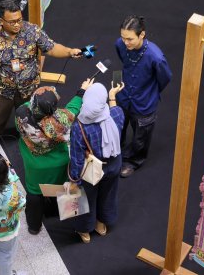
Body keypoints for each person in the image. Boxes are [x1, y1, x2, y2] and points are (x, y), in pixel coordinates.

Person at [0, 0, 82, 149]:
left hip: (29, 87)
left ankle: (27, 134)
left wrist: (69, 52)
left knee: (30, 114)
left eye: (19, 19)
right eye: (12, 21)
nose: (17, 24)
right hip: (1, 89)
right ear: (2, 21)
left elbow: (51, 47)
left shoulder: (32, 31)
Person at [15, 79, 93, 235]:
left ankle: (34, 226)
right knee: (65, 186)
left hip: (35, 165)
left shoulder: (21, 115)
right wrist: (82, 91)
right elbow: (73, 109)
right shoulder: (61, 121)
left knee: (35, 194)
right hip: (60, 162)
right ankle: (68, 215)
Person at [67, 82, 125, 243]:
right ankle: (102, 223)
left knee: (85, 198)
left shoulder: (79, 126)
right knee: (108, 195)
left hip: (91, 170)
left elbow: (77, 158)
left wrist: (74, 179)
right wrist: (112, 95)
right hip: (113, 166)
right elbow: (114, 108)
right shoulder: (116, 115)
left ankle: (84, 230)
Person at [116, 16, 172, 178]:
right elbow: (123, 60)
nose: (126, 42)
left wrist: (150, 92)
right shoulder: (120, 44)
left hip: (144, 103)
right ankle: (115, 153)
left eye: (130, 39)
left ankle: (133, 161)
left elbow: (165, 78)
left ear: (142, 35)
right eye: (123, 37)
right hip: (123, 96)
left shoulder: (155, 57)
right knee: (118, 126)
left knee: (141, 136)